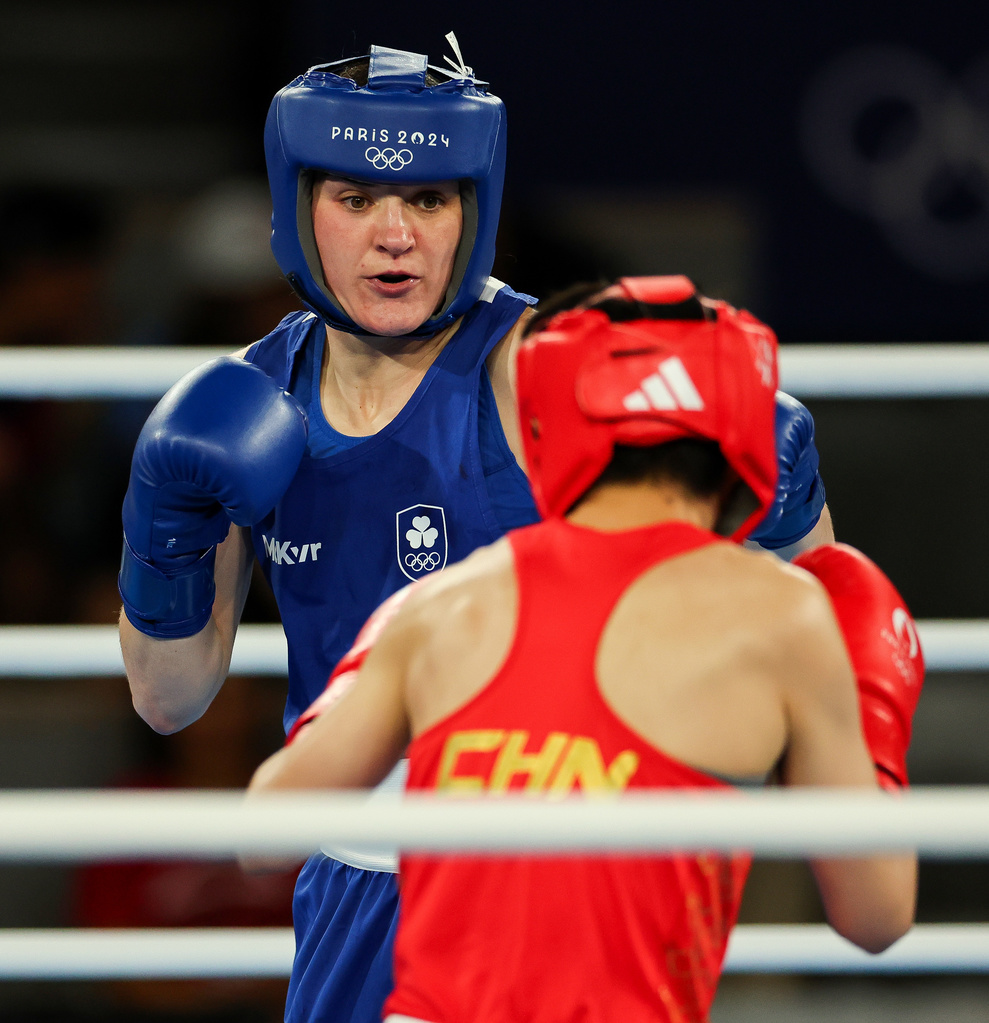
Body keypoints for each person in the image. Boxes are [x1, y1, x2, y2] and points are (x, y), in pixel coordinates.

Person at [117, 38, 834, 1023]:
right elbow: (169, 698)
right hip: (355, 878)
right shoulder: (246, 404)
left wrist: (783, 514)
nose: (393, 236)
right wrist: (171, 532)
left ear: (475, 211)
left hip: (556, 871)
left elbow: (820, 595)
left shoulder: (555, 375)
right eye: (356, 199)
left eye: (427, 200)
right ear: (295, 207)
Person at [247, 275, 921, 1023]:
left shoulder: (439, 606)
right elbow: (876, 914)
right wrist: (874, 733)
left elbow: (265, 839)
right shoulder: (780, 616)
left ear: (540, 427)